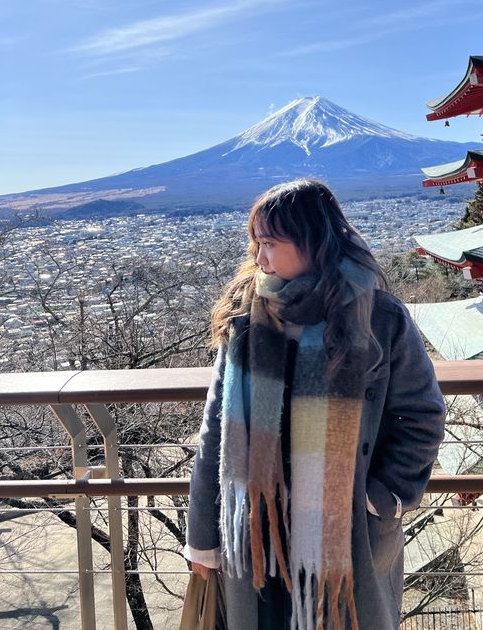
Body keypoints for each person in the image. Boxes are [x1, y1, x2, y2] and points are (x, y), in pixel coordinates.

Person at [184, 178, 445, 630]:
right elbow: (216, 430)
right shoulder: (247, 317)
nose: (258, 257)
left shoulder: (378, 318)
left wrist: (383, 498)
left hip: (347, 530)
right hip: (256, 530)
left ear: (311, 241)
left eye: (269, 242)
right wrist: (202, 538)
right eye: (256, 243)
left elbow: (422, 415)